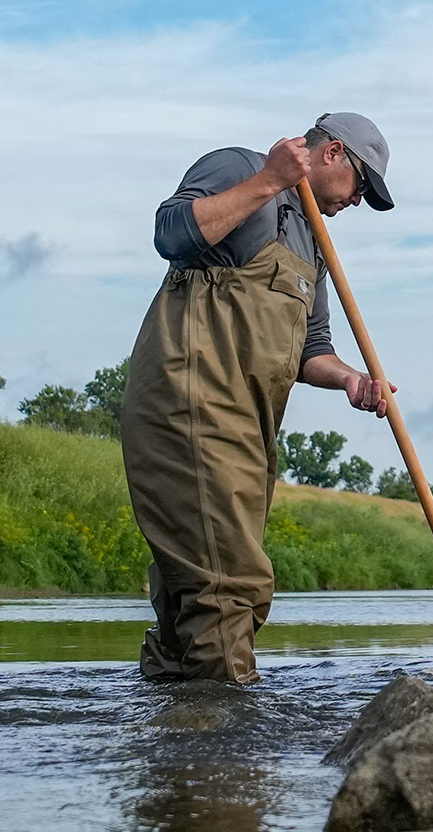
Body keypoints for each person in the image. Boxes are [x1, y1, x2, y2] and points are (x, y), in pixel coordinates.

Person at [120, 112, 394, 684]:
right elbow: (170, 233)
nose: (358, 202)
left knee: (192, 579)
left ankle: (180, 727)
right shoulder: (243, 168)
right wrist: (270, 179)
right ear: (333, 153)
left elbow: (310, 348)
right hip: (190, 403)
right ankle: (229, 745)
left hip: (249, 426)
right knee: (230, 579)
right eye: (362, 187)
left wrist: (349, 379)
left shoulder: (313, 244)